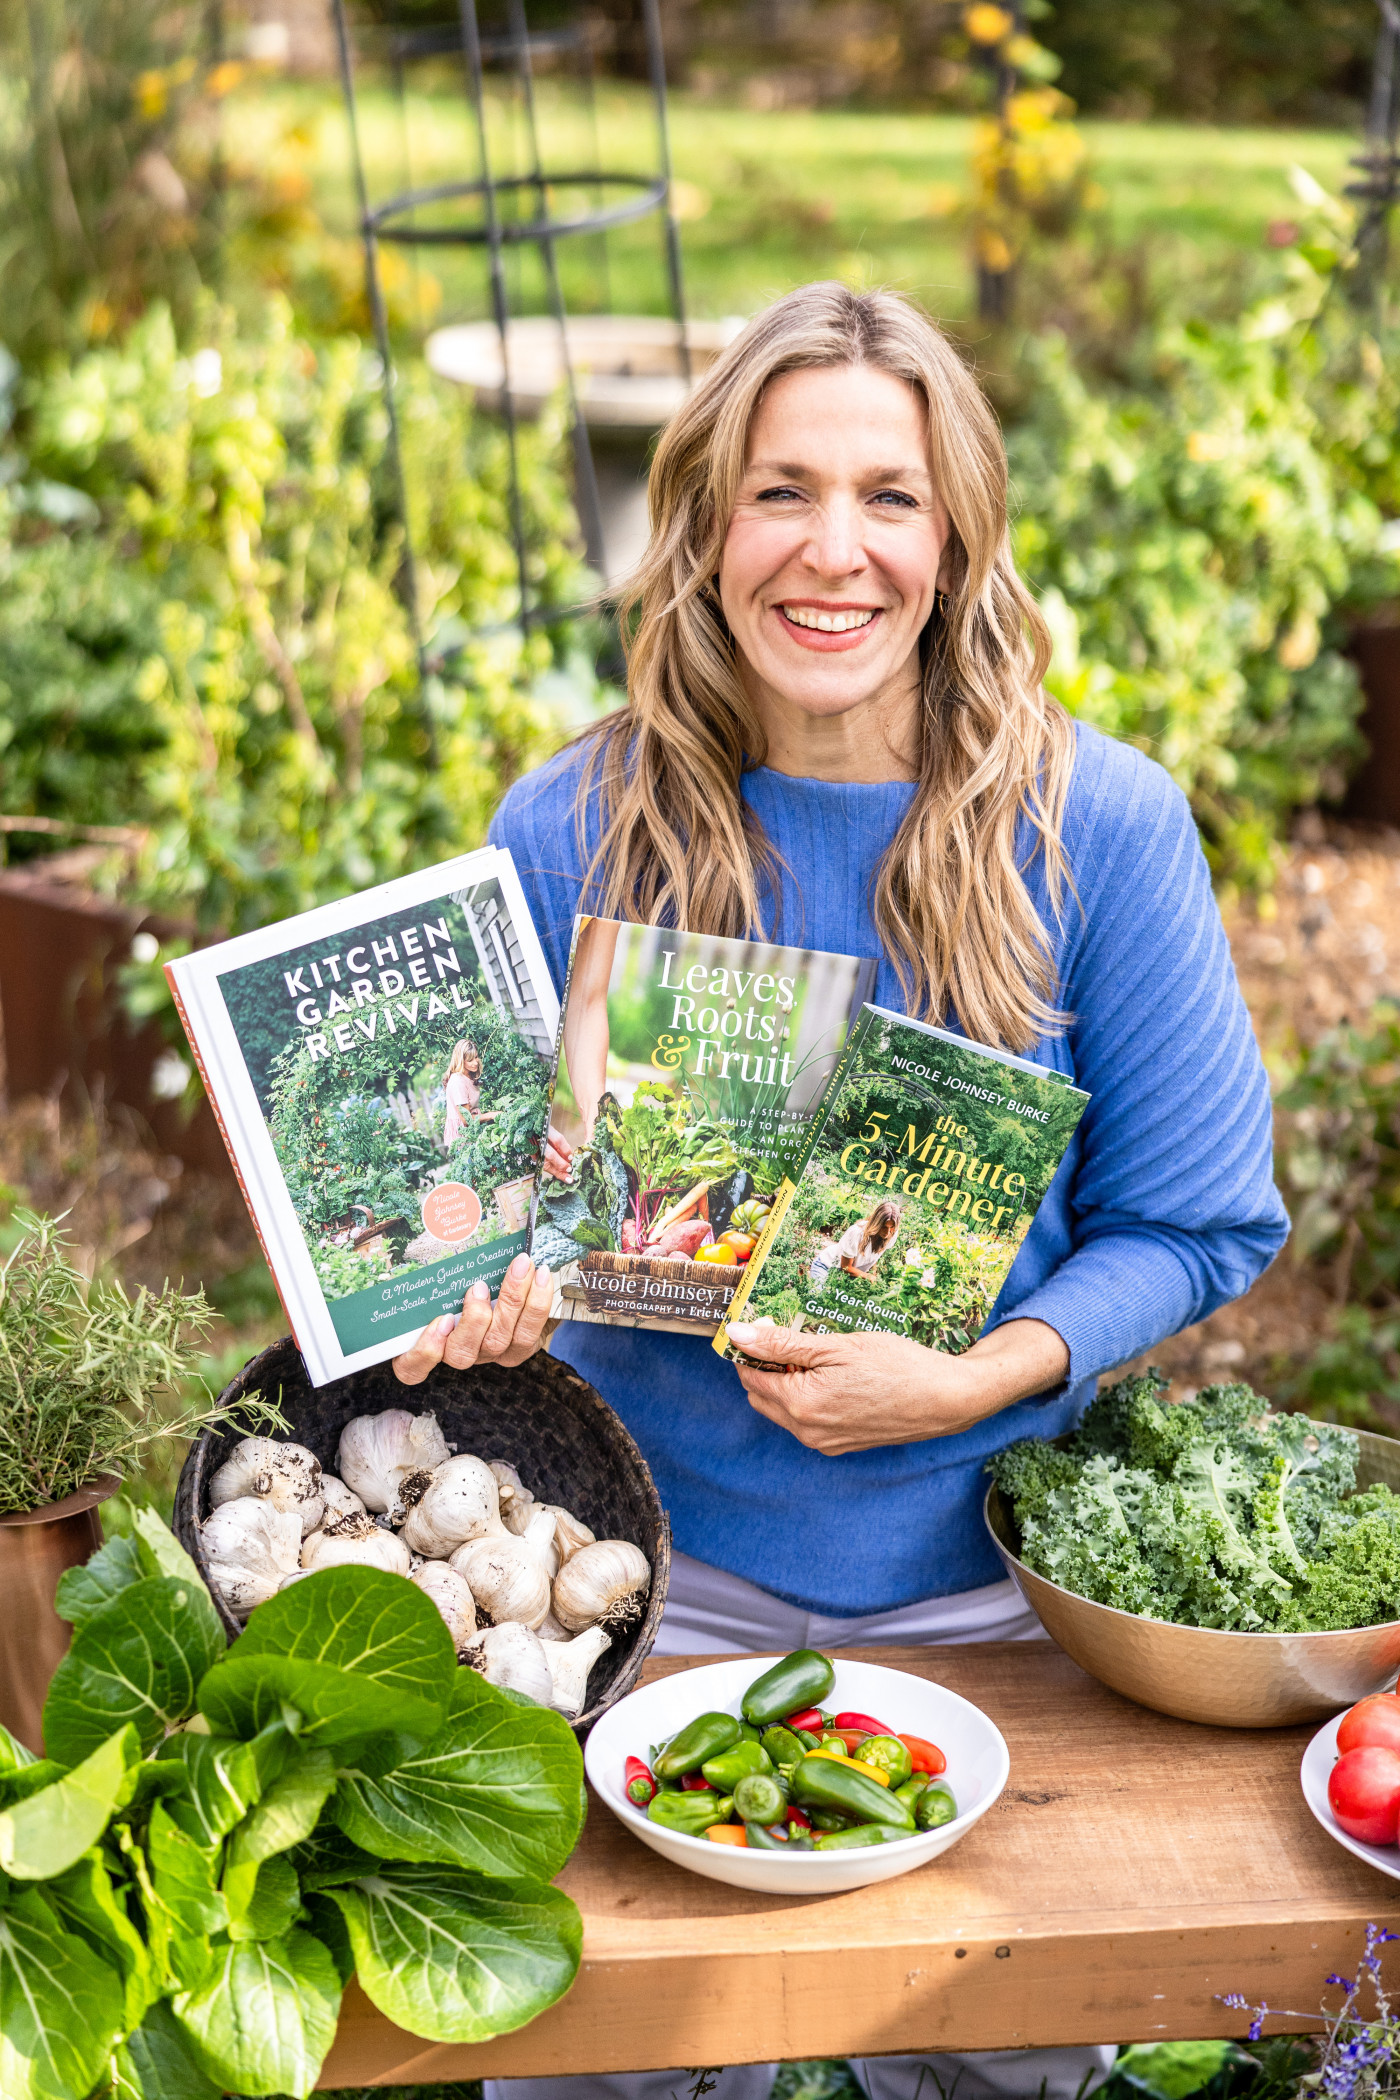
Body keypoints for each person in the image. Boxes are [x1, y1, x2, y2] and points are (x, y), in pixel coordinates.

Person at [391, 282, 1289, 2100]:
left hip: (986, 1604)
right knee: (589, 2056)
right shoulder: (569, 828)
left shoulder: (1096, 830)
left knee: (997, 2066)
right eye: (782, 490)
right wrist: (479, 1288)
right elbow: (483, 1226)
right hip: (645, 1582)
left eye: (888, 495)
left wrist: (983, 1375)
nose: (834, 549)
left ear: (956, 539)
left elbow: (1200, 1222)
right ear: (709, 526)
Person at [809, 1198, 901, 1292]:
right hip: (826, 1267)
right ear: (877, 1223)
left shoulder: (892, 1234)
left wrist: (873, 1274)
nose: (887, 1232)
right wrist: (867, 1276)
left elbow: (876, 1254)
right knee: (818, 1298)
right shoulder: (857, 1233)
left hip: (848, 1275)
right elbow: (845, 1267)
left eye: (892, 1227)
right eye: (884, 1227)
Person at [442, 1037, 493, 1150]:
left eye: (476, 1057)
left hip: (470, 1131)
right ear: (461, 1061)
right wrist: (492, 1115)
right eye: (470, 1060)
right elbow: (466, 1120)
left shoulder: (467, 1075)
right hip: (463, 1136)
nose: (475, 1063)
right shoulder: (457, 1082)